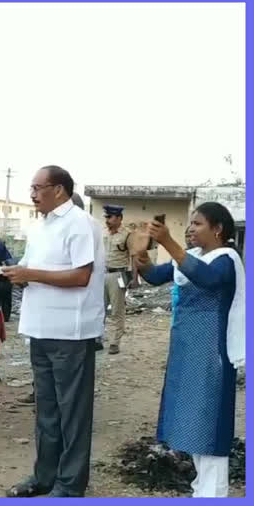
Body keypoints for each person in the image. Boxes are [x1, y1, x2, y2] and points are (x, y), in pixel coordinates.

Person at [3, 166, 105, 498]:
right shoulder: (40, 225)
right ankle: (44, 476)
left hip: (70, 331)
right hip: (41, 328)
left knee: (72, 411)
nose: (31, 194)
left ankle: (71, 483)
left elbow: (80, 276)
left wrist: (31, 272)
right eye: (31, 188)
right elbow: (37, 270)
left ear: (58, 190)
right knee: (47, 409)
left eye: (37, 187)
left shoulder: (79, 223)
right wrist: (18, 273)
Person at [135, 202, 244, 498]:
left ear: (218, 229)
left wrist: (168, 242)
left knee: (210, 419)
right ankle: (202, 488)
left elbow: (206, 278)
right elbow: (156, 276)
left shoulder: (227, 259)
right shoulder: (192, 256)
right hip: (187, 349)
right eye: (190, 223)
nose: (190, 229)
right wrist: (142, 259)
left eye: (197, 224)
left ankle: (214, 492)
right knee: (192, 416)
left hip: (211, 352)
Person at [101, 205, 137, 355]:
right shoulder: (103, 234)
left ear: (119, 218)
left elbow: (134, 256)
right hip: (101, 274)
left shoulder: (127, 235)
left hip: (118, 275)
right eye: (107, 217)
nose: (107, 220)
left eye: (110, 217)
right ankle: (97, 338)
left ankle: (115, 342)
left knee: (117, 310)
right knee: (98, 309)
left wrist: (134, 278)